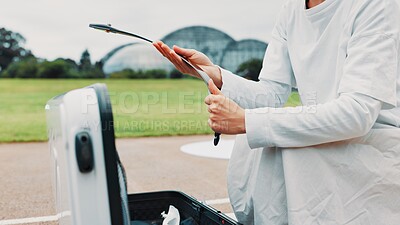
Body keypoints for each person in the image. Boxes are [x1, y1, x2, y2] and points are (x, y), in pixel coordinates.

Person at [153, 0, 400, 224]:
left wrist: (247, 121)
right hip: (327, 136)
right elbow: (271, 94)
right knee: (259, 144)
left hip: (372, 149)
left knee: (278, 144)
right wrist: (212, 73)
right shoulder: (291, 10)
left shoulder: (376, 4)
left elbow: (357, 113)